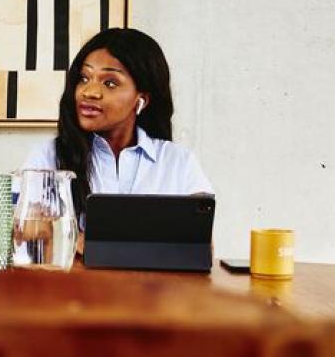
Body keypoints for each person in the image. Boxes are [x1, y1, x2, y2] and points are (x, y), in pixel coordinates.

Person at [22, 28, 213, 219]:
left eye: (110, 83)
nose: (89, 92)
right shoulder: (47, 158)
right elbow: (25, 236)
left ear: (142, 99)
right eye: (84, 78)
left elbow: (200, 243)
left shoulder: (178, 163)